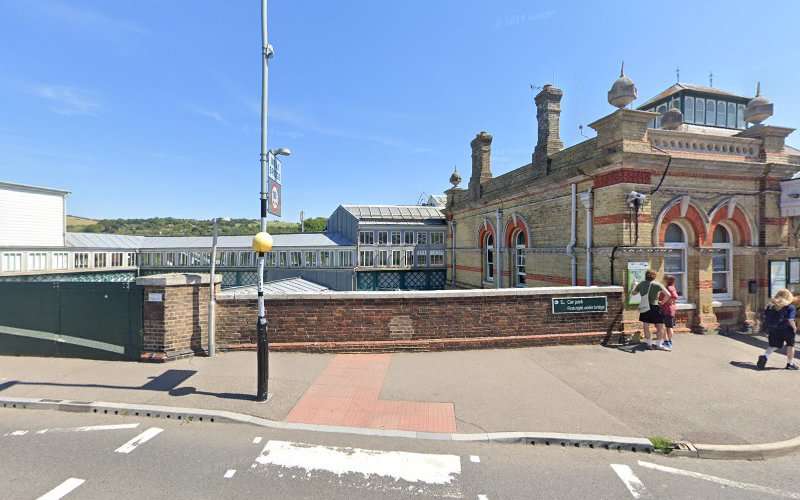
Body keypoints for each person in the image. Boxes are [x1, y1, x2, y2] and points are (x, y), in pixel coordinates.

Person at [757, 289, 798, 370]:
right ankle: (789, 364)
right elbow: (790, 320)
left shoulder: (770, 305)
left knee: (773, 345)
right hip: (787, 329)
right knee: (790, 345)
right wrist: (794, 328)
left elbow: (765, 315)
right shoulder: (790, 307)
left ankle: (764, 357)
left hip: (774, 329)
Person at [632, 270, 670, 351]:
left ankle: (649, 344)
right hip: (655, 307)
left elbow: (633, 293)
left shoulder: (641, 284)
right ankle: (659, 345)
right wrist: (662, 303)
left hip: (645, 307)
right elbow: (668, 295)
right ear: (654, 276)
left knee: (646, 326)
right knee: (660, 327)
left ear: (646, 276)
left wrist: (635, 285)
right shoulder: (657, 284)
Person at [660, 275, 679, 349]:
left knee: (663, 326)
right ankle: (669, 341)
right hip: (671, 309)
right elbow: (674, 297)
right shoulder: (672, 287)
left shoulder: (668, 288)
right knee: (669, 326)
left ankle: (666, 342)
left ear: (667, 281)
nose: (663, 280)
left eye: (664, 279)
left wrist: (663, 302)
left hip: (666, 310)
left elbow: (673, 296)